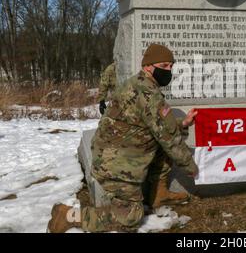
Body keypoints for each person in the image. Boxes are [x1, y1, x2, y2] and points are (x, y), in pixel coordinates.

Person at [47, 44, 199, 233]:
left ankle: (159, 194)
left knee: (162, 146)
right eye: (164, 65)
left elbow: (160, 126)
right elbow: (170, 139)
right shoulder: (148, 94)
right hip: (115, 165)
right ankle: (68, 216)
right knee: (129, 218)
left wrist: (182, 123)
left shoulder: (139, 84)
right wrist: (191, 168)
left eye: (171, 66)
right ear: (148, 67)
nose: (168, 70)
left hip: (117, 153)